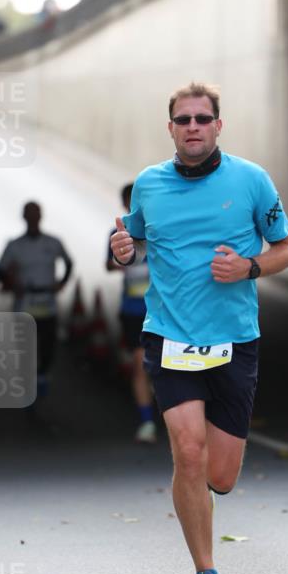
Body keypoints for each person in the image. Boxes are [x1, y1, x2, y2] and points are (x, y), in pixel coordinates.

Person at [110, 82, 288, 574]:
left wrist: (251, 267)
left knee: (221, 475)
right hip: (168, 336)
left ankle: (209, 553)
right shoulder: (148, 185)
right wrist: (123, 249)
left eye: (202, 118)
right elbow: (135, 240)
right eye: (183, 119)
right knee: (187, 453)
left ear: (219, 125)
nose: (193, 126)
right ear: (170, 128)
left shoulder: (250, 181)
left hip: (234, 340)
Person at [0, 202, 73, 398]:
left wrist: (61, 282)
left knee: (48, 346)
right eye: (29, 214)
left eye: (35, 213)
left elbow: (68, 263)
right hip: (25, 303)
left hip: (47, 302)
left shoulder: (53, 242)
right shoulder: (15, 245)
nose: (33, 218)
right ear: (24, 217)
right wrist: (11, 283)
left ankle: (42, 375)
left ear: (41, 216)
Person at [107, 183, 157, 444]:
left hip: (165, 312)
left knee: (170, 368)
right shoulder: (118, 234)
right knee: (140, 366)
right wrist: (123, 260)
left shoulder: (160, 231)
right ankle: (147, 421)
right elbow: (109, 263)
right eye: (130, 201)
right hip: (134, 312)